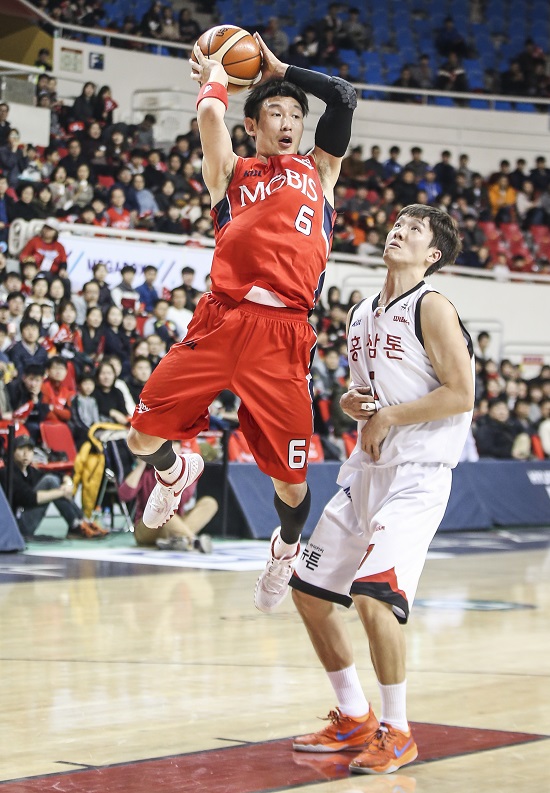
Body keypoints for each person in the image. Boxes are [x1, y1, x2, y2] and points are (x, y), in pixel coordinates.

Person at [127, 35, 357, 610]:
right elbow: (209, 111)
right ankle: (176, 471)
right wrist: (216, 77)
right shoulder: (230, 171)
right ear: (252, 122)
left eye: (296, 114)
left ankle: (284, 549)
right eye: (275, 111)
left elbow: (345, 99)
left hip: (284, 335)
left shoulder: (320, 171)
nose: (288, 120)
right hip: (222, 318)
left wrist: (282, 71)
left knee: (292, 483)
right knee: (140, 437)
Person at [287, 204, 475, 775]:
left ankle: (398, 730)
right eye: (397, 224)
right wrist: (355, 404)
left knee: (374, 599)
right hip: (366, 473)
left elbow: (461, 393)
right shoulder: (363, 310)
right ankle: (354, 715)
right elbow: (368, 394)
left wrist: (389, 418)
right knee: (310, 594)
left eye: (414, 230)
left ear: (432, 255)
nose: (399, 231)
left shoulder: (434, 307)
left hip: (417, 477)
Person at [0, 434, 107, 539]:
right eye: (21, 449)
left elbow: (56, 475)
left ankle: (82, 522)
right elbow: (30, 498)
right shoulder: (7, 473)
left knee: (53, 480)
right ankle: (77, 524)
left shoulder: (30, 471)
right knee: (50, 481)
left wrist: (67, 481)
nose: (25, 454)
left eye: (29, 450)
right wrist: (61, 492)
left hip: (25, 517)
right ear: (12, 452)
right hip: (17, 524)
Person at [118, 442, 217, 552]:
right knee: (163, 508)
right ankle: (192, 541)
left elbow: (185, 496)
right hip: (147, 526)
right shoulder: (147, 472)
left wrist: (175, 475)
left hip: (175, 520)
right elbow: (124, 495)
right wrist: (141, 464)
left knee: (209, 503)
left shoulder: (185, 471)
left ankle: (178, 539)